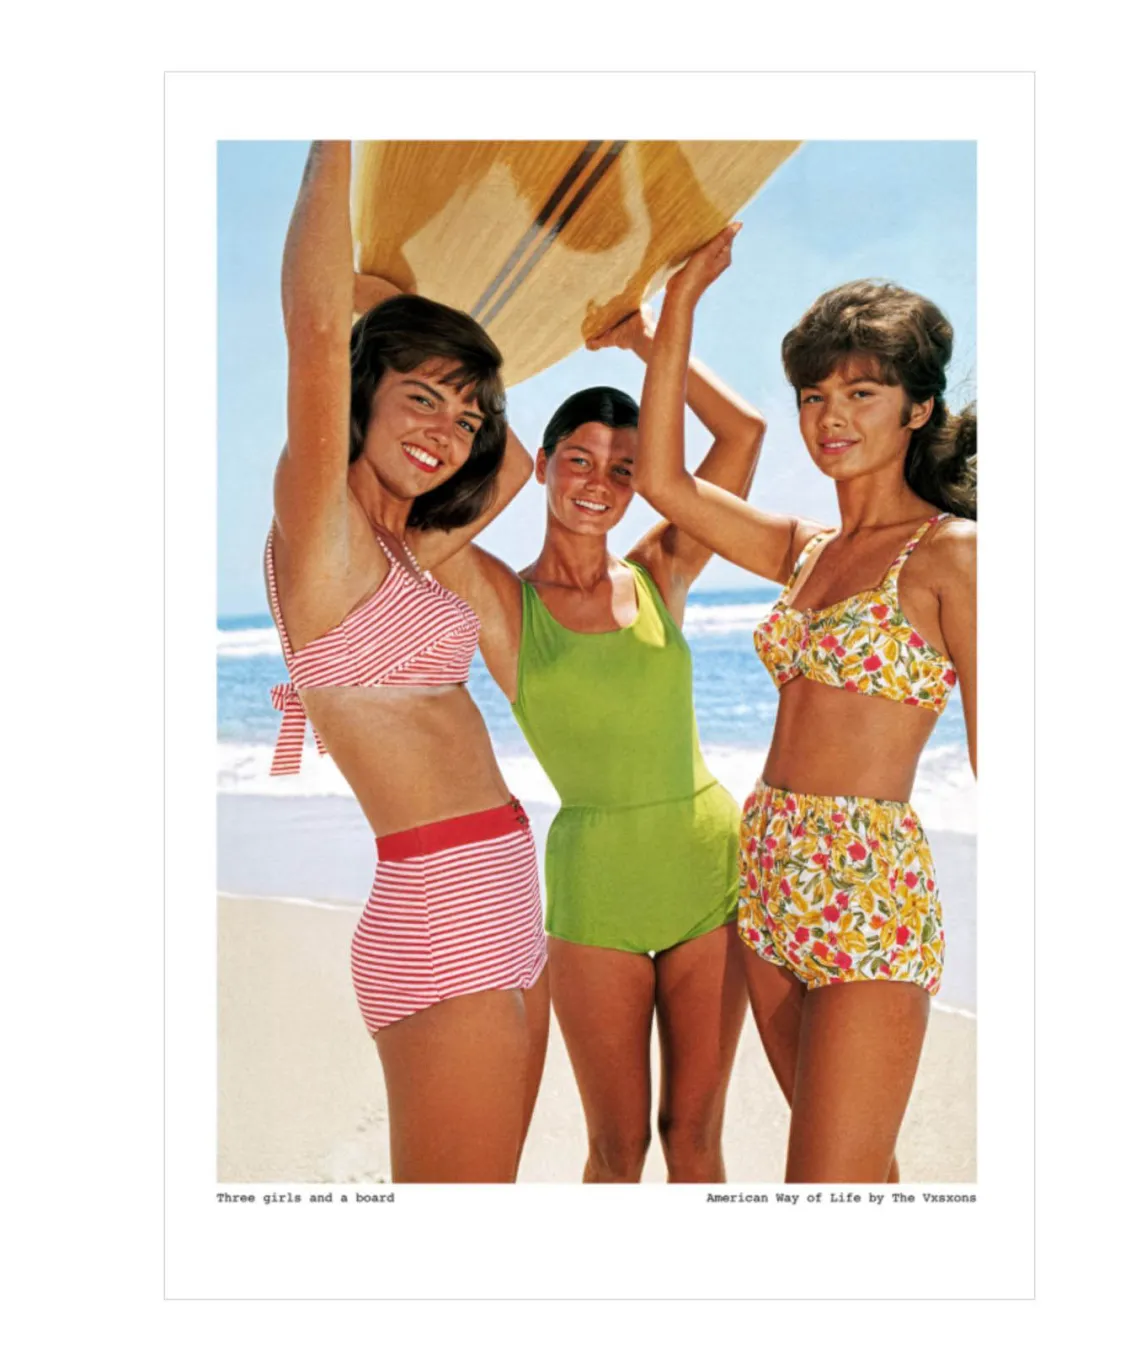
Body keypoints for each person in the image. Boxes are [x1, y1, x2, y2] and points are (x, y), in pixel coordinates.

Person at [634, 239, 977, 1183]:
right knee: (861, 1180)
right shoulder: (806, 550)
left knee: (825, 1187)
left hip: (868, 889)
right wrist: (671, 317)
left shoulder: (954, 555)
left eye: (861, 392)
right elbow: (664, 484)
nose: (830, 417)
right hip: (767, 871)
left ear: (918, 407)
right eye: (813, 395)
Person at [435, 228, 763, 1182]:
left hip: (708, 864)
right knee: (616, 1151)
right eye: (578, 460)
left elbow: (742, 438)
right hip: (595, 889)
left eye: (624, 469)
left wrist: (650, 336)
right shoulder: (505, 605)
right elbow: (433, 515)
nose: (600, 485)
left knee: (694, 1141)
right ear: (542, 465)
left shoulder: (663, 568)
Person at [263, 141, 548, 1183]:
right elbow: (312, 332)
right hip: (438, 916)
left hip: (509, 890)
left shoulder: (402, 550)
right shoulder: (322, 535)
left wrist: (403, 318)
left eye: (464, 413)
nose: (449, 432)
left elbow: (515, 463)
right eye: (422, 397)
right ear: (361, 391)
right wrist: (337, 132)